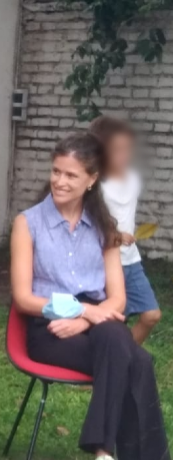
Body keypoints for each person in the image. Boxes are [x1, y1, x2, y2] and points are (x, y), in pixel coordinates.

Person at [10, 132, 170, 460]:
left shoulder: (104, 226)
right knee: (137, 358)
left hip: (96, 327)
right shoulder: (27, 223)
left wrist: (87, 319)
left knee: (120, 346)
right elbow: (23, 298)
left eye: (71, 175)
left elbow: (116, 299)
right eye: (56, 171)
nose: (61, 182)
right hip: (49, 330)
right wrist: (81, 312)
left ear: (92, 179)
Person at [89, 116, 161, 345]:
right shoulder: (93, 184)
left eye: (127, 149)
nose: (124, 156)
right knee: (111, 322)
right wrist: (115, 236)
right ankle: (104, 369)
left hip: (131, 262)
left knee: (151, 315)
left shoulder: (132, 180)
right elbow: (87, 225)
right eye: (117, 150)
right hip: (103, 264)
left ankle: (121, 357)